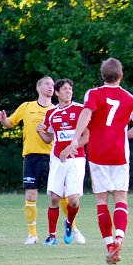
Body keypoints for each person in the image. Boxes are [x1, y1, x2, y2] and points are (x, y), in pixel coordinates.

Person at [61, 58, 133, 265]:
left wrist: (75, 139)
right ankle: (119, 238)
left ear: (102, 75)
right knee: (121, 199)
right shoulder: (130, 98)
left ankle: (109, 245)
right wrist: (122, 135)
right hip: (119, 154)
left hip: (98, 153)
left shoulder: (93, 94)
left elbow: (86, 113)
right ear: (121, 75)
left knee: (101, 201)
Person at [0, 77, 58, 245]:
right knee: (31, 194)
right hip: (31, 157)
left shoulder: (56, 110)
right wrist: (3, 121)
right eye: (47, 84)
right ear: (38, 88)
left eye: (53, 85)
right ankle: (32, 234)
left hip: (52, 157)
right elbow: (10, 123)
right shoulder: (27, 106)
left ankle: (71, 228)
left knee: (58, 194)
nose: (51, 87)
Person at [37, 79, 89, 245]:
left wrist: (71, 148)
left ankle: (68, 223)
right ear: (57, 93)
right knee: (54, 198)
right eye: (64, 89)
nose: (68, 92)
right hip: (58, 159)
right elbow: (48, 138)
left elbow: (87, 136)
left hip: (77, 159)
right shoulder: (51, 114)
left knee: (73, 200)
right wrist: (40, 132)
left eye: (70, 89)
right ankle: (52, 236)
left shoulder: (81, 110)